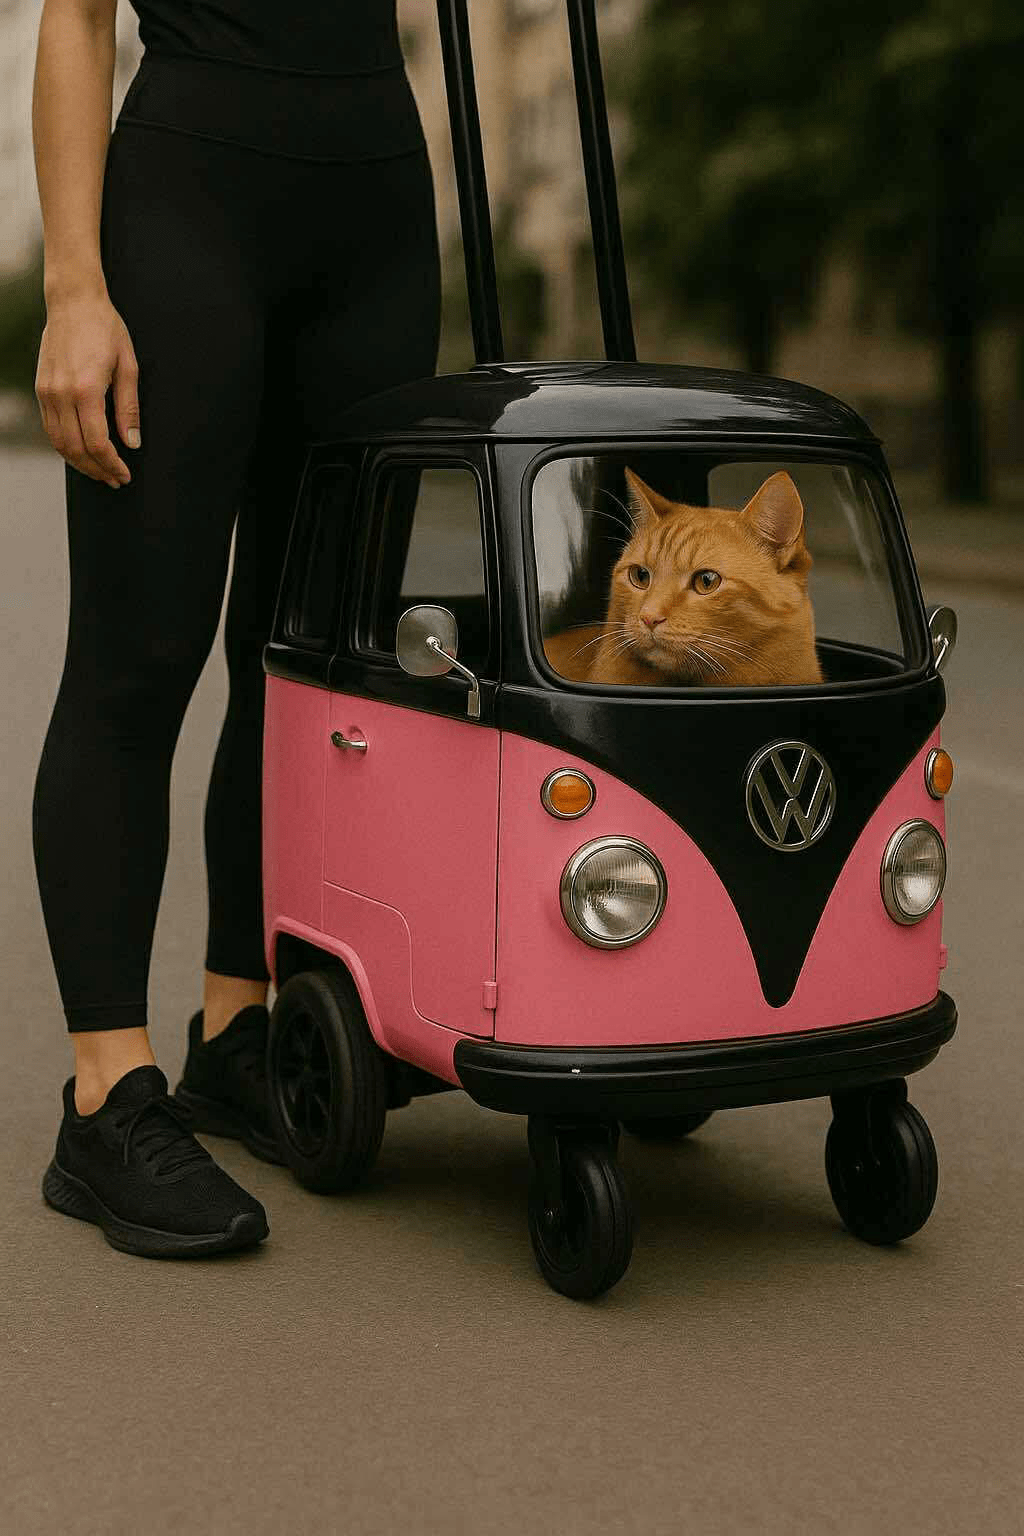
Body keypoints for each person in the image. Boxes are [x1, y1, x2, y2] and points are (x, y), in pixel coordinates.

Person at [30, 0, 441, 1257]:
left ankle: (235, 1029)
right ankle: (105, 1094)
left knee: (304, 665)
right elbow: (77, 19)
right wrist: (75, 288)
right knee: (138, 657)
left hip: (377, 203)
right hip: (187, 201)